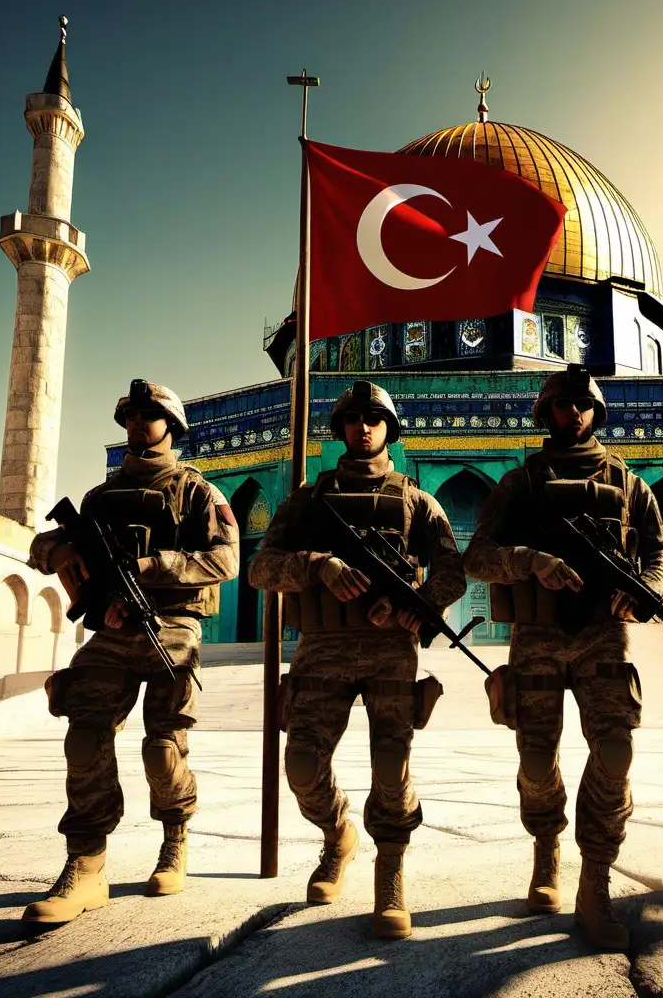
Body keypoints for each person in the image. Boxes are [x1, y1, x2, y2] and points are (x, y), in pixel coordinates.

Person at [463, 364, 663, 950]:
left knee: (614, 750)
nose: (574, 415)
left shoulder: (630, 484)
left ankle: (596, 881)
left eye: (583, 406)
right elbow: (477, 556)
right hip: (538, 635)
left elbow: (661, 553)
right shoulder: (520, 484)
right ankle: (546, 846)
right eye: (563, 406)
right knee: (536, 760)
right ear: (547, 413)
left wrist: (647, 590)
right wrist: (532, 562)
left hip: (603, 636)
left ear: (596, 411)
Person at [248, 381, 466, 940]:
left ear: (388, 428)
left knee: (392, 768)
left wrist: (416, 607)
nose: (362, 427)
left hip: (391, 651)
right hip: (321, 649)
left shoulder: (417, 500)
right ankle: (337, 833)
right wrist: (319, 566)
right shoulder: (307, 499)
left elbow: (451, 572)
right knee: (301, 767)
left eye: (373, 418)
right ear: (340, 427)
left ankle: (389, 870)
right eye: (352, 419)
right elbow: (260, 568)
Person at [23, 380, 239, 924]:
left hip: (172, 628)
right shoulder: (100, 498)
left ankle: (175, 838)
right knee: (84, 736)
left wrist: (149, 569)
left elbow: (226, 561)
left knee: (162, 750)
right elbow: (42, 546)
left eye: (150, 414)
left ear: (172, 425)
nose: (139, 423)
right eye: (131, 416)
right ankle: (86, 862)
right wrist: (61, 551)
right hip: (114, 631)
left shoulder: (198, 493)